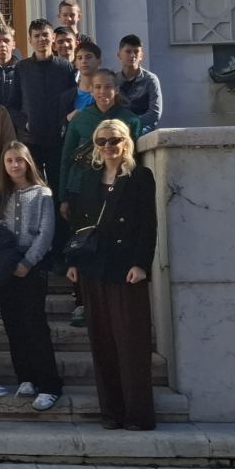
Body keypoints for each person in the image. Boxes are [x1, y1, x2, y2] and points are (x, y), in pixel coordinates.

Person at [65, 119, 158, 430]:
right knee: (102, 341)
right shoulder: (88, 178)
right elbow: (78, 224)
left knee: (131, 341)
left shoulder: (140, 177)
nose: (108, 146)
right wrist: (73, 261)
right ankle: (112, 412)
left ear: (126, 142)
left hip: (126, 269)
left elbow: (149, 224)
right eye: (102, 141)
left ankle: (138, 414)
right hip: (94, 267)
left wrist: (141, 264)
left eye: (114, 140)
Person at [0, 141, 63, 412]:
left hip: (33, 267)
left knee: (35, 325)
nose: (14, 165)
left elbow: (46, 233)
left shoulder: (43, 193)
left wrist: (28, 261)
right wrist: (5, 262)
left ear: (27, 162)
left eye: (19, 160)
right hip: (5, 265)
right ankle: (27, 377)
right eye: (9, 160)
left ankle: (50, 384)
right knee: (13, 324)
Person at [60, 69, 144, 211]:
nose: (102, 91)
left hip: (117, 186)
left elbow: (135, 159)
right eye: (97, 87)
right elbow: (66, 158)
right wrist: (63, 198)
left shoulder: (131, 120)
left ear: (116, 90)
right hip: (80, 187)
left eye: (108, 87)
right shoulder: (79, 119)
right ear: (91, 90)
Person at [16, 19, 79, 196]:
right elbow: (12, 104)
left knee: (58, 189)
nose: (41, 39)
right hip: (30, 140)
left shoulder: (64, 67)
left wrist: (64, 123)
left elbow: (71, 99)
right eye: (36, 36)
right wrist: (24, 123)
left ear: (53, 37)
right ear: (30, 40)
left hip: (57, 141)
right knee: (32, 189)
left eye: (45, 35)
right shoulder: (21, 68)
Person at [116, 34, 163, 135]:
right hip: (118, 127)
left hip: (143, 128)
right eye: (128, 51)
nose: (132, 55)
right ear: (119, 55)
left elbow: (155, 112)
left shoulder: (150, 80)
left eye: (136, 52)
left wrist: (133, 124)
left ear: (141, 56)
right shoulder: (113, 81)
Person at [69, 40, 103, 119]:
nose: (84, 61)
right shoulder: (67, 97)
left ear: (99, 61)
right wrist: (67, 120)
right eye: (80, 58)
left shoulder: (109, 92)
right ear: (75, 63)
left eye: (88, 57)